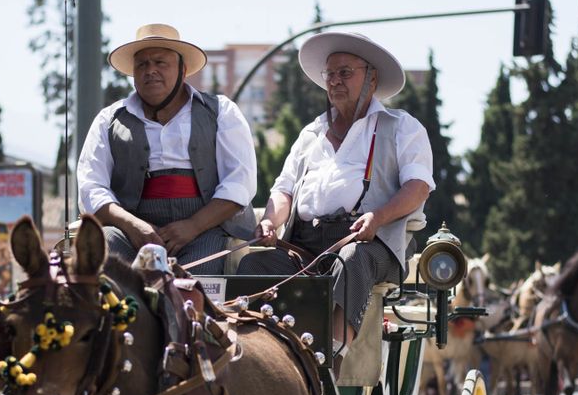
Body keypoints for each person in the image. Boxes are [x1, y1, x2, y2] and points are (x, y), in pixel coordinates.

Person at [237, 31, 433, 350]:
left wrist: (377, 217)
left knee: (352, 258)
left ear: (371, 79)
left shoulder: (401, 126)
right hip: (305, 247)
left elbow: (418, 187)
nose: (335, 81)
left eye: (346, 73)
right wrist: (271, 221)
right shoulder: (310, 134)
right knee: (253, 266)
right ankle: (258, 355)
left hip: (372, 241)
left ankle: (330, 359)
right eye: (331, 74)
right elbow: (283, 190)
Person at [76, 23, 257, 266]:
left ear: (183, 71)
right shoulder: (108, 120)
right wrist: (132, 225)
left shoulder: (221, 111)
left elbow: (240, 182)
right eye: (142, 64)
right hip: (130, 233)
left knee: (197, 286)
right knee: (107, 261)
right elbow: (91, 187)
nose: (150, 70)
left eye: (160, 62)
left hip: (206, 230)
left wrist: (193, 226)